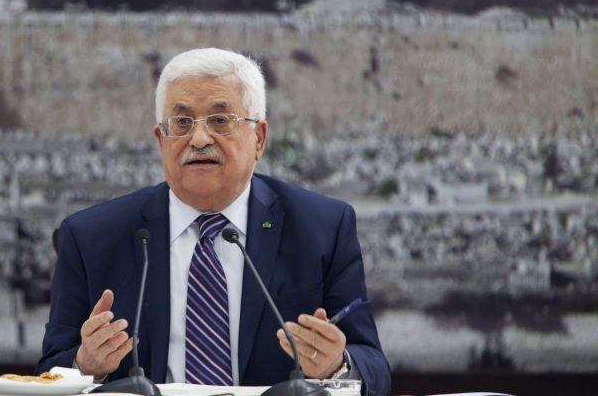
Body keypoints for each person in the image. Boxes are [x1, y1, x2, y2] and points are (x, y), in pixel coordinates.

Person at [37, 48, 390, 395]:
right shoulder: (91, 237)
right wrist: (85, 366)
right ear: (162, 140)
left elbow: (373, 368)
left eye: (220, 121)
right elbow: (50, 370)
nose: (200, 139)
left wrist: (336, 365)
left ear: (259, 139)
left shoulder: (323, 229)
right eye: (182, 122)